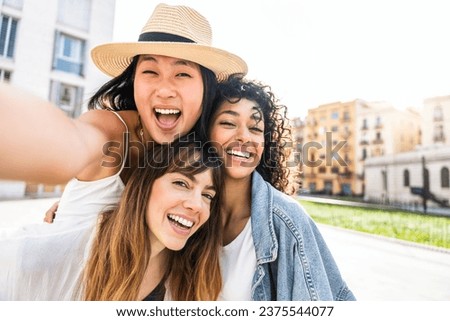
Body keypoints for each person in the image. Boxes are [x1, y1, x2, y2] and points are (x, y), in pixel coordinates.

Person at [0, 3, 245, 299]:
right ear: (134, 81)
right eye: (150, 71)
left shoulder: (197, 152)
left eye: (182, 74)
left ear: (206, 88)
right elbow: (69, 144)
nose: (164, 89)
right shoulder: (112, 131)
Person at [0, 138, 224, 300]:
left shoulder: (187, 274)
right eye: (181, 183)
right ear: (143, 187)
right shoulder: (55, 252)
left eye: (207, 195)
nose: (196, 204)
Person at [209, 76, 356, 300]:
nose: (244, 136)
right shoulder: (189, 210)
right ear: (206, 131)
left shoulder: (288, 221)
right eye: (228, 123)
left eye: (255, 128)